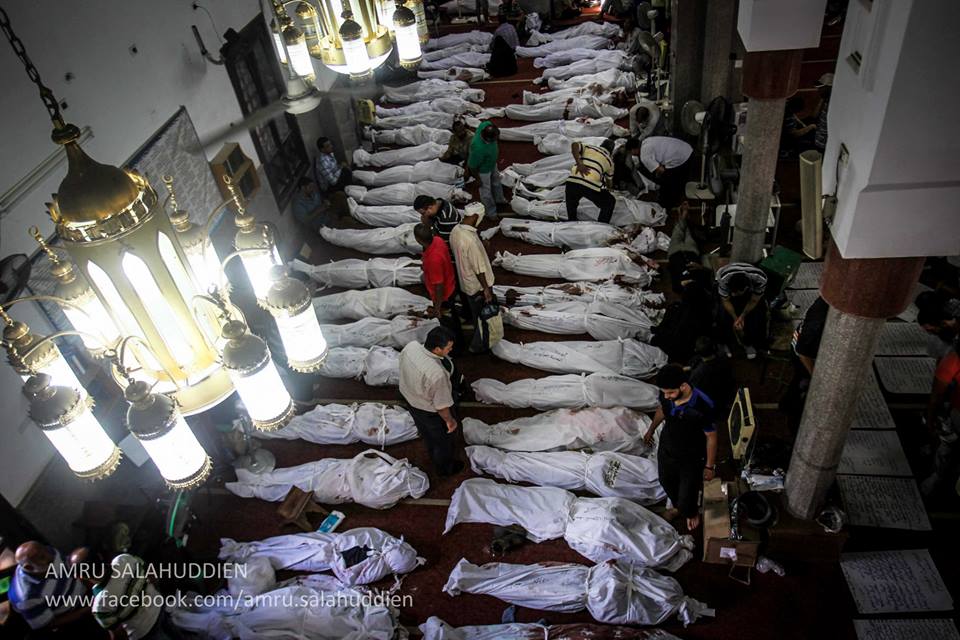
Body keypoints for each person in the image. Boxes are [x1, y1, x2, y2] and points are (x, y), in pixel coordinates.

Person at [643, 364, 718, 531]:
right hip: (668, 448)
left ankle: (691, 512)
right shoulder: (666, 396)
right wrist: (651, 429)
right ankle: (680, 507)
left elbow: (711, 436)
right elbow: (662, 410)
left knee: (688, 491)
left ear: (683, 386)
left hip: (691, 456)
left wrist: (709, 466)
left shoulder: (703, 405)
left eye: (670, 392)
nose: (666, 396)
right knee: (666, 481)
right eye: (664, 392)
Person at [399, 326, 464, 477]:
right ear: (437, 349)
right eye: (448, 348)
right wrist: (450, 421)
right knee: (442, 441)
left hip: (409, 399)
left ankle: (431, 450)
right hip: (428, 410)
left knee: (427, 433)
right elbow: (441, 406)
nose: (451, 350)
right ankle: (445, 468)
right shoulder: (437, 374)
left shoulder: (411, 346)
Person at [9, 541, 101, 635]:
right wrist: (89, 609)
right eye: (42, 557)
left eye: (46, 550)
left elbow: (71, 568)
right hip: (72, 616)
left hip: (87, 594)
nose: (51, 557)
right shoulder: (26, 598)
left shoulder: (47, 552)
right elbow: (49, 624)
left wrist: (94, 587)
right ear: (29, 568)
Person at [92, 553, 184, 640]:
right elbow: (151, 574)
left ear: (84, 577)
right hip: (159, 607)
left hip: (143, 631)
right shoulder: (123, 559)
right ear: (100, 557)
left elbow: (118, 633)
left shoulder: (99, 606)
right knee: (175, 633)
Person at [449, 203, 501, 352]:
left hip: (465, 282)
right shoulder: (470, 241)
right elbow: (479, 269)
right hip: (477, 286)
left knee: (474, 312)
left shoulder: (456, 230)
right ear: (476, 216)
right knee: (482, 317)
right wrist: (486, 289)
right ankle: (478, 345)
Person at [923, 342, 960, 494]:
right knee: (947, 446)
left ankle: (939, 477)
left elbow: (936, 396)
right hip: (956, 413)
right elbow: (936, 396)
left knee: (948, 448)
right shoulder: (952, 361)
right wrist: (931, 419)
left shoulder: (952, 360)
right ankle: (938, 476)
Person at [715, 262, 769, 360]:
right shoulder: (724, 279)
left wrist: (742, 316)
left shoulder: (760, 279)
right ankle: (723, 342)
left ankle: (749, 343)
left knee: (758, 316)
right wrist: (736, 318)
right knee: (722, 316)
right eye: (733, 292)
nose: (734, 295)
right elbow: (725, 300)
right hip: (726, 281)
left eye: (737, 293)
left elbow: (754, 300)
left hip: (751, 291)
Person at [565, 138, 615, 223]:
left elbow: (574, 145)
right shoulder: (610, 161)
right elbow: (609, 182)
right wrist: (609, 188)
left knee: (572, 205)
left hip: (572, 182)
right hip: (590, 186)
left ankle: (571, 222)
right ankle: (601, 226)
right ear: (611, 152)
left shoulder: (589, 147)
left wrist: (579, 163)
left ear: (601, 145)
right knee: (610, 202)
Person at [638, 135, 693, 209]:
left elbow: (661, 170)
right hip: (687, 148)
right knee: (679, 180)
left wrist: (661, 179)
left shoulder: (644, 156)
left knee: (669, 183)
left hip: (680, 157)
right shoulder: (646, 140)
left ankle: (667, 205)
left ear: (633, 150)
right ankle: (681, 198)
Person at [688, 336, 736, 418]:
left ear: (696, 351)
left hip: (711, 399)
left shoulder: (698, 373)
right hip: (726, 391)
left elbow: (693, 390)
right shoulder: (723, 357)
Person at [467, 122, 506, 220]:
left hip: (492, 163)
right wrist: (478, 179)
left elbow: (487, 123)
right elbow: (472, 166)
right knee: (486, 192)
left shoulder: (485, 125)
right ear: (488, 139)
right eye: (495, 139)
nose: (496, 140)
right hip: (483, 170)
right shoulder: (478, 149)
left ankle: (499, 199)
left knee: (496, 181)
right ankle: (490, 212)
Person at [812, 73, 833, 153]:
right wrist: (822, 99)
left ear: (829, 88)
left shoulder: (832, 105)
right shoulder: (825, 100)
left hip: (823, 144)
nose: (818, 90)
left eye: (821, 88)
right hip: (818, 138)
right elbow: (814, 115)